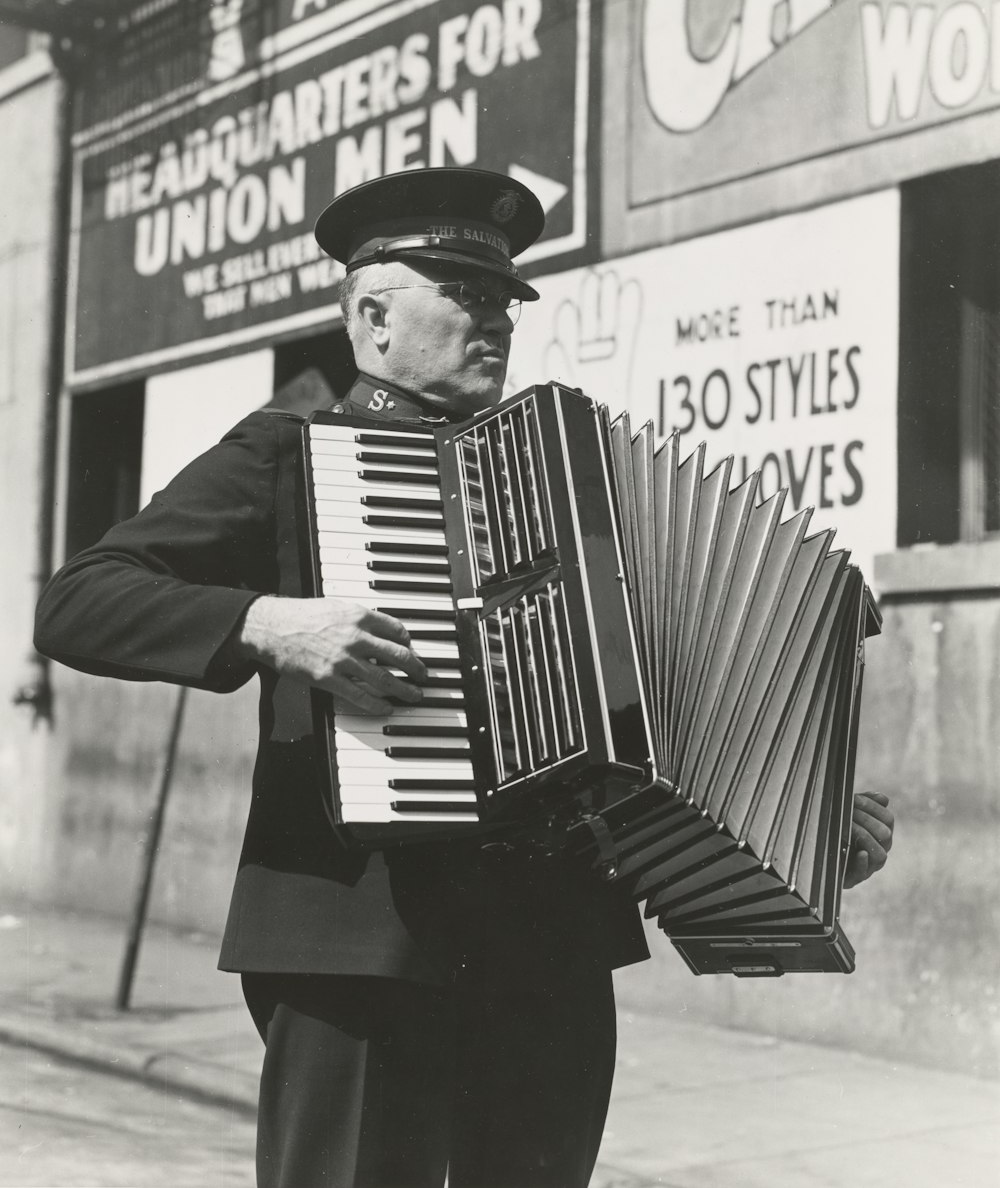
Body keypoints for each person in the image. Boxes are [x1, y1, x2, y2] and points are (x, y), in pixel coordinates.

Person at [34, 167, 894, 1188]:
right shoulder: (293, 452)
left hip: (549, 950)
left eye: (504, 302)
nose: (495, 321)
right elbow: (79, 599)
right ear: (371, 317)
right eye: (465, 297)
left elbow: (656, 707)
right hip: (362, 942)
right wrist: (269, 624)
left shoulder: (573, 489)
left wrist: (798, 823)